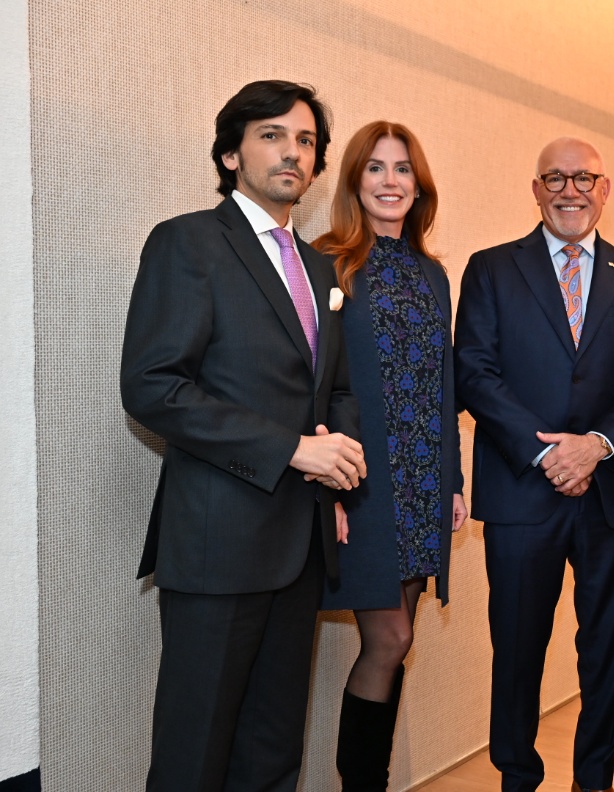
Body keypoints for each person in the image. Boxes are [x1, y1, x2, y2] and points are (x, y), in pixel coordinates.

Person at [120, 80, 366, 792]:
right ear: (231, 154)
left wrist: (337, 467)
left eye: (306, 141)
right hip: (217, 543)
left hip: (302, 540)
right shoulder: (189, 242)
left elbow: (336, 390)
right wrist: (292, 449)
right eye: (272, 135)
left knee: (273, 751)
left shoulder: (320, 267)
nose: (293, 152)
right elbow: (154, 386)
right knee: (194, 755)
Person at [454, 137, 614, 792]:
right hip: (522, 491)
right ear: (536, 189)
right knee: (517, 652)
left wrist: (596, 445)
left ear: (605, 189)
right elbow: (475, 373)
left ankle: (594, 780)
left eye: (583, 178)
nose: (570, 190)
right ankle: (517, 778)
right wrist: (549, 451)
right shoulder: (491, 268)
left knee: (605, 652)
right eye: (555, 178)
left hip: (610, 495)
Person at [313, 121, 467, 791]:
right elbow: (312, 383)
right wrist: (329, 488)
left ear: (418, 185)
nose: (390, 181)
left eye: (402, 169)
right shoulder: (327, 263)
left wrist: (453, 480)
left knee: (397, 642)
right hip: (363, 480)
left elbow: (444, 385)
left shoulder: (433, 274)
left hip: (422, 482)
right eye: (375, 168)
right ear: (354, 182)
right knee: (391, 638)